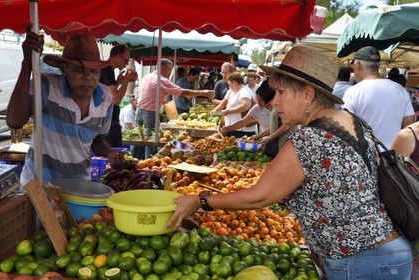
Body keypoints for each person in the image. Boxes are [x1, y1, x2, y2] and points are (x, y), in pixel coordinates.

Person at [167, 46, 413, 279]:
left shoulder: (311, 138)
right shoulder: (354, 121)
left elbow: (259, 196)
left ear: (307, 94)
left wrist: (201, 201)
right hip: (387, 252)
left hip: (361, 261)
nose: (274, 102)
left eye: (282, 92)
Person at [7, 26, 125, 185]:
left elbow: (96, 140)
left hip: (79, 185)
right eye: (79, 70)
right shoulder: (46, 87)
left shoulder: (105, 98)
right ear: (64, 69)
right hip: (39, 185)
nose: (88, 77)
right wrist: (27, 62)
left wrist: (110, 153)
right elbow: (14, 121)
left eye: (94, 71)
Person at [135, 58, 213, 159]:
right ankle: (148, 162)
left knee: (137, 139)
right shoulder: (162, 80)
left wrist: (160, 99)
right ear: (163, 68)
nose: (170, 72)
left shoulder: (147, 76)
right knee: (151, 141)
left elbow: (149, 92)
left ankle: (134, 159)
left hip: (139, 111)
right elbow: (181, 92)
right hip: (150, 113)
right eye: (169, 69)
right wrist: (202, 92)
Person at [342, 46, 415, 148]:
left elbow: (346, 128)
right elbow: (410, 124)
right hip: (395, 157)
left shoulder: (352, 92)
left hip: (366, 157)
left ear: (358, 65)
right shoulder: (400, 90)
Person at [99, 44, 137, 148]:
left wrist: (118, 82)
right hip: (108, 122)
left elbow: (107, 93)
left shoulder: (106, 69)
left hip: (106, 120)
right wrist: (127, 80)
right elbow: (116, 100)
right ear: (116, 57)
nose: (127, 64)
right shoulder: (107, 69)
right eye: (126, 60)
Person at [211, 72, 256, 138]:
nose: (229, 86)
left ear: (234, 82)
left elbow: (246, 105)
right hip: (232, 127)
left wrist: (229, 111)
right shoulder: (230, 91)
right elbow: (223, 103)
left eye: (229, 84)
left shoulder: (244, 91)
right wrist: (215, 110)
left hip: (243, 130)